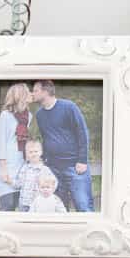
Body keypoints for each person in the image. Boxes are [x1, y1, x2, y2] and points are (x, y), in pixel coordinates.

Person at [31, 80, 94, 212]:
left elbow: (82, 133)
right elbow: (46, 138)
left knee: (83, 206)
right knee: (59, 209)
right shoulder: (40, 114)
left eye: (36, 90)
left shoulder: (69, 107)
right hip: (53, 169)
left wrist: (82, 160)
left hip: (74, 167)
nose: (33, 94)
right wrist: (45, 161)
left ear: (46, 91)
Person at [0, 83, 32, 211]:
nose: (30, 94)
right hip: (6, 164)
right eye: (27, 92)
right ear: (20, 95)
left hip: (21, 164)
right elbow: (0, 143)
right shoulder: (5, 116)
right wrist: (3, 170)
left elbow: (26, 141)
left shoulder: (29, 116)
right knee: (8, 204)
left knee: (21, 205)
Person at [14, 139, 47, 212]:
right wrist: (11, 182)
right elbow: (19, 183)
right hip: (24, 202)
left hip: (38, 203)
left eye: (36, 151)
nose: (33, 154)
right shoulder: (24, 168)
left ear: (41, 152)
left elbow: (53, 183)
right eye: (30, 152)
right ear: (26, 154)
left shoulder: (44, 169)